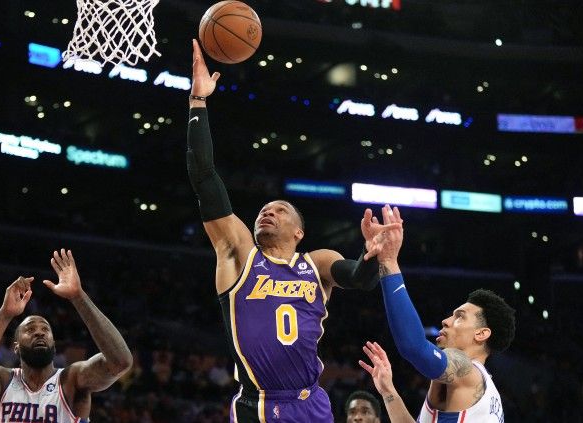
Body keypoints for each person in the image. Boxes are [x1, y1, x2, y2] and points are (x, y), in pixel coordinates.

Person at [187, 39, 400, 422]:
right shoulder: (238, 253)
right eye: (263, 210)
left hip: (311, 402)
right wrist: (198, 102)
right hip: (258, 403)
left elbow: (360, 279)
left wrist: (373, 256)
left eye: (279, 210)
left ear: (299, 232)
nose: (267, 212)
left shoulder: (317, 263)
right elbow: (204, 177)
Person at [359, 205, 515, 423]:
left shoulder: (466, 369)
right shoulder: (485, 393)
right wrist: (388, 391)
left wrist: (388, 261)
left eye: (460, 316)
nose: (446, 321)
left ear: (481, 334)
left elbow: (414, 347)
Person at [0, 249, 133, 422]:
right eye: (30, 329)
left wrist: (78, 297)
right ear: (16, 346)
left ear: (54, 345)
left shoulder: (72, 380)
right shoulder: (3, 380)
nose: (39, 332)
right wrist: (3, 315)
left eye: (45, 329)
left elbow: (120, 362)